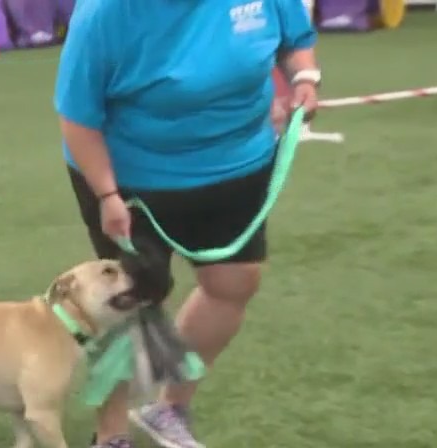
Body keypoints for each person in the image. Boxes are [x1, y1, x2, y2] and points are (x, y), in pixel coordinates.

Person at [53, 0, 320, 447]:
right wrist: (107, 195)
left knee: (234, 283)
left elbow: (295, 40)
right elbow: (77, 116)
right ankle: (111, 435)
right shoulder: (105, 13)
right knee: (128, 302)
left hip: (237, 164)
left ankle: (169, 407)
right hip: (131, 176)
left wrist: (305, 79)